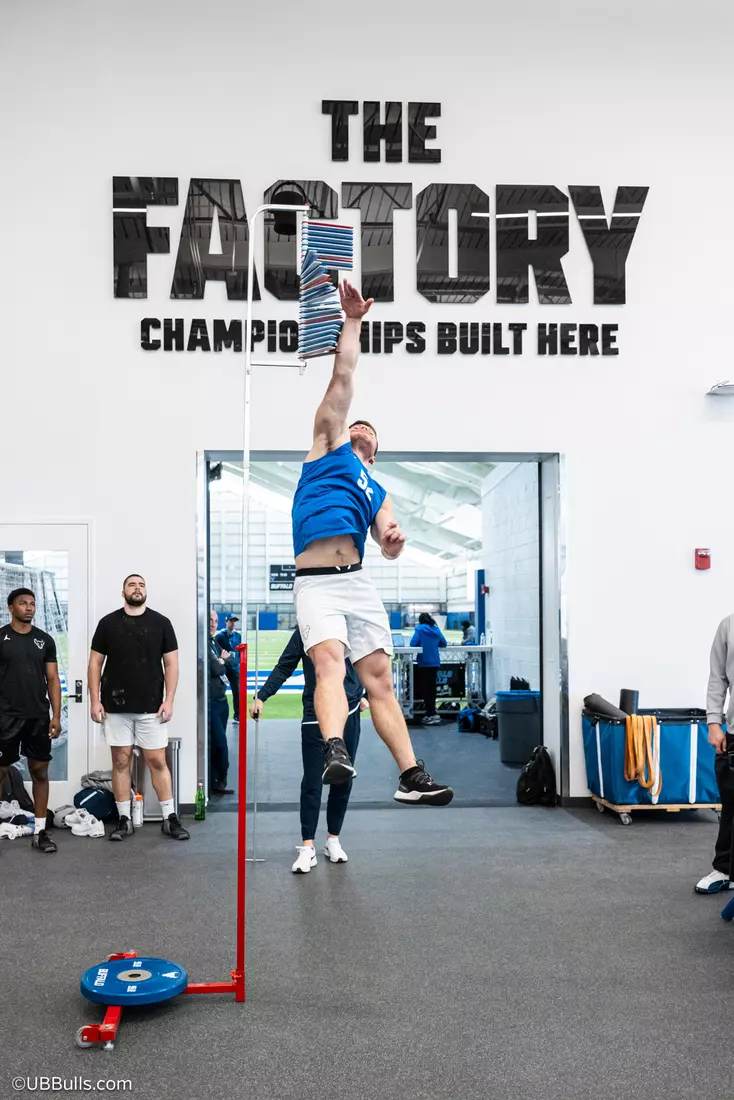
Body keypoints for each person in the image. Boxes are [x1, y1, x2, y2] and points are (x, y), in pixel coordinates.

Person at [291, 279, 453, 807]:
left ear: (375, 455)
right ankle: (336, 748)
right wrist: (354, 320)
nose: (360, 427)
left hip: (356, 581)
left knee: (379, 677)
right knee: (331, 664)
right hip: (316, 581)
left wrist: (395, 542)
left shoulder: (377, 488)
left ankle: (410, 775)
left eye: (370, 433)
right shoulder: (327, 443)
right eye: (355, 425)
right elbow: (344, 372)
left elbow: (388, 541)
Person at [251, 628, 365, 873]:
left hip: (350, 711)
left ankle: (333, 840)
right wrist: (262, 696)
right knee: (312, 782)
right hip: (316, 712)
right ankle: (308, 847)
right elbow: (285, 665)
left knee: (343, 778)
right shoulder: (306, 629)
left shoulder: (350, 627)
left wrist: (362, 693)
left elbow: (362, 662)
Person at [88, 574, 189, 841]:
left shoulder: (161, 623)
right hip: (115, 707)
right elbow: (95, 664)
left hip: (151, 707)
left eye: (141, 585)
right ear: (123, 592)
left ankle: (170, 818)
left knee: (157, 760)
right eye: (132, 585)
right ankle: (123, 819)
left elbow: (172, 665)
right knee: (120, 762)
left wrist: (169, 700)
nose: (137, 588)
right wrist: (94, 699)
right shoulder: (108, 624)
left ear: (146, 591)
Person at [0, 588, 61, 854]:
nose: (29, 607)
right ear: (11, 608)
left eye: (32, 604)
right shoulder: (1, 638)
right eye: (23, 603)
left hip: (37, 716)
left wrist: (56, 715)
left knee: (40, 772)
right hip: (6, 717)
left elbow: (52, 679)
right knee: (0, 772)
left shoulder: (45, 640)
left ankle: (40, 831)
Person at [697, 612, 734, 892]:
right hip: (732, 733)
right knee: (731, 804)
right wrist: (713, 722)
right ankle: (724, 870)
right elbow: (717, 678)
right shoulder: (729, 625)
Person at [209, 609, 234, 795]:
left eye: (216, 620)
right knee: (219, 744)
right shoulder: (203, 644)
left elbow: (230, 660)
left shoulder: (214, 641)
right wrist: (222, 661)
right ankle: (217, 780)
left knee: (219, 743)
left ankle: (217, 781)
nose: (213, 623)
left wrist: (223, 661)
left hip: (222, 701)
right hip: (211, 703)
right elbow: (216, 668)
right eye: (210, 620)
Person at [410, 613, 448, 725]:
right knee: (432, 689)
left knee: (425, 689)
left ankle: (430, 713)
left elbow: (413, 644)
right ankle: (432, 712)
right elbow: (444, 643)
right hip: (435, 662)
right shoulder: (436, 629)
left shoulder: (420, 630)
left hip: (424, 662)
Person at [214, 614, 241, 722]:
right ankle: (219, 714)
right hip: (223, 669)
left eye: (234, 621)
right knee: (220, 692)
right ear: (226, 622)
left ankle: (237, 714)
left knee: (237, 692)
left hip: (234, 669)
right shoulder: (220, 636)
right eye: (231, 621)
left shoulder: (238, 636)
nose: (233, 623)